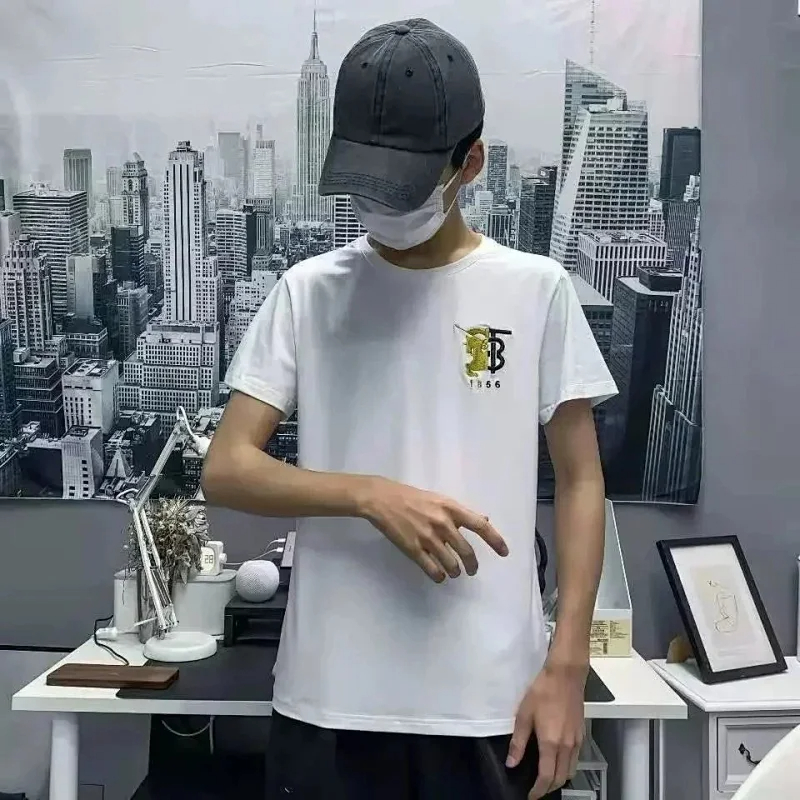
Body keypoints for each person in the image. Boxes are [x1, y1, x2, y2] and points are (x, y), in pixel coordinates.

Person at [202, 17, 617, 800]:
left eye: (404, 185)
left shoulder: (536, 291)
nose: (381, 205)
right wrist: (367, 494)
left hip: (493, 704)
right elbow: (226, 469)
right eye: (366, 183)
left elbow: (581, 479)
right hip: (331, 700)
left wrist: (566, 668)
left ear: (471, 164)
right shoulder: (307, 292)